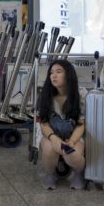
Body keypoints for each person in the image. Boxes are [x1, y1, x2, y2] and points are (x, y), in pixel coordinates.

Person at [38, 60, 87, 190]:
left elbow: (81, 124)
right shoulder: (46, 95)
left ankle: (79, 173)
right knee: (49, 150)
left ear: (68, 75)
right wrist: (54, 138)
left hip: (73, 136)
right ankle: (50, 173)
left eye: (59, 72)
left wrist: (71, 141)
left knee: (71, 154)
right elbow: (43, 122)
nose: (53, 76)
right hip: (51, 135)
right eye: (51, 73)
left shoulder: (80, 94)